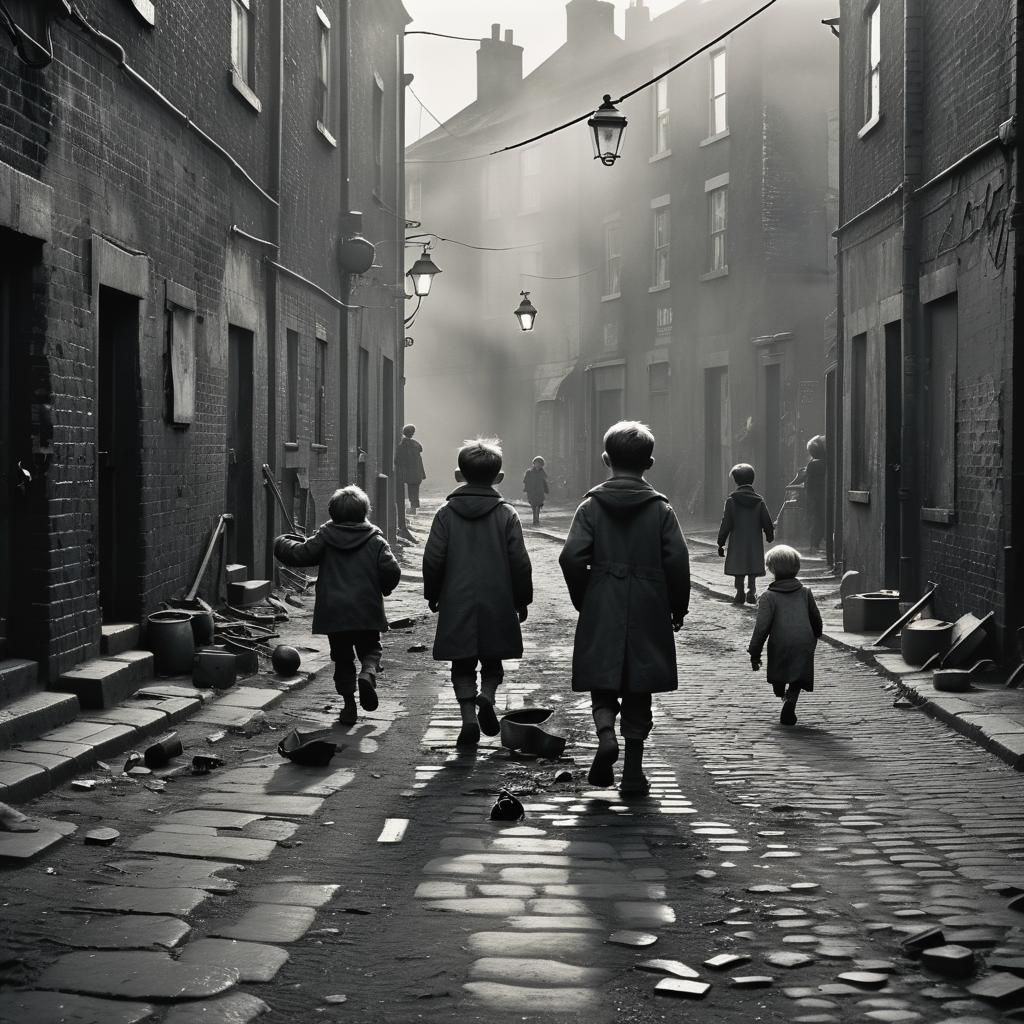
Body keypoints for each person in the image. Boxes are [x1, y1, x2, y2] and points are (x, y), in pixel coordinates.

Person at [559, 421, 690, 794]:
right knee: (639, 686)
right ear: (649, 462)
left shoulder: (591, 507)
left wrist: (586, 596)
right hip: (649, 605)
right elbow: (678, 560)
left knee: (602, 678)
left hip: (603, 599)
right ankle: (633, 772)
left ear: (605, 459)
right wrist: (677, 607)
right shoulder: (661, 510)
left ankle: (605, 736)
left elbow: (570, 557)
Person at [422, 438, 533, 750]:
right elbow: (519, 562)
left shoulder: (445, 514)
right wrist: (522, 598)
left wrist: (433, 592)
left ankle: (468, 717)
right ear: (498, 478)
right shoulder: (506, 514)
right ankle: (489, 695)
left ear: (459, 475)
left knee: (461, 664)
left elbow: (433, 558)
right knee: (493, 659)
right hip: (498, 599)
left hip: (456, 599)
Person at [274, 485, 401, 726]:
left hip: (334, 612)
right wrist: (383, 588)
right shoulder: (375, 540)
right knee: (371, 649)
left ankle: (349, 707)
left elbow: (301, 554)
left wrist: (281, 542)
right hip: (366, 609)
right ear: (365, 512)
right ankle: (368, 672)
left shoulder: (326, 537)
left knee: (342, 659)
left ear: (332, 512)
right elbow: (392, 570)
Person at [748, 544, 822, 726]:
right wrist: (816, 635)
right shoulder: (805, 592)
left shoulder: (768, 597)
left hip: (779, 642)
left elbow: (761, 627)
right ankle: (791, 699)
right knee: (798, 675)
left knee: (779, 673)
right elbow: (816, 618)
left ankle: (781, 691)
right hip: (804, 640)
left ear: (771, 568)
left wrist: (754, 652)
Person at [717, 463, 775, 605]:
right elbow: (766, 520)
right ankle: (751, 590)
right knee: (751, 565)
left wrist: (721, 542)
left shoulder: (731, 501)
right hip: (754, 540)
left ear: (736, 481)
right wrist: (769, 534)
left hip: (737, 540)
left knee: (739, 567)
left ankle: (739, 592)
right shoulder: (759, 501)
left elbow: (726, 523)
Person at [791, 435, 827, 553]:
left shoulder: (812, 463)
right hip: (818, 496)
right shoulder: (818, 464)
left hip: (814, 496)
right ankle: (815, 544)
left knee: (817, 518)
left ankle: (815, 544)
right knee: (819, 518)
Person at [394, 424, 426, 515]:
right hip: (417, 471)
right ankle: (413, 508)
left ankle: (411, 509)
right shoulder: (415, 444)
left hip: (408, 472)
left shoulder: (402, 444)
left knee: (410, 489)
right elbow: (420, 449)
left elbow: (397, 459)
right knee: (414, 490)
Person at [522, 455, 549, 527]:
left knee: (539, 505)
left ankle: (537, 519)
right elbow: (525, 481)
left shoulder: (543, 473)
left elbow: (544, 482)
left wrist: (546, 490)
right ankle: (535, 519)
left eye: (540, 463)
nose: (538, 465)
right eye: (537, 463)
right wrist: (526, 489)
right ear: (534, 463)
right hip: (531, 492)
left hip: (540, 492)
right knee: (534, 506)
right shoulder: (529, 472)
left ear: (542, 465)